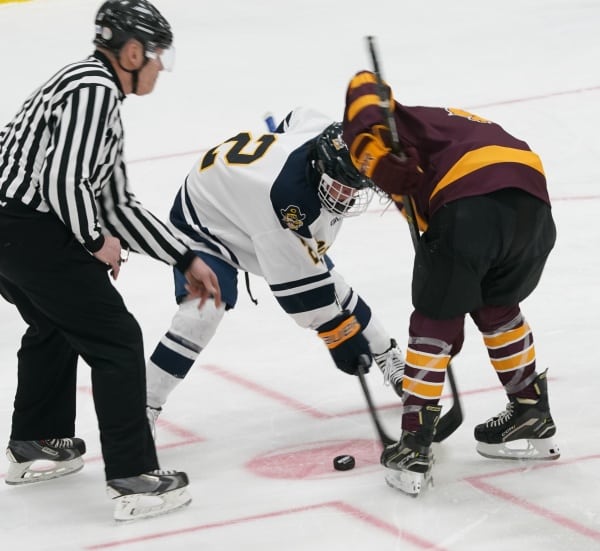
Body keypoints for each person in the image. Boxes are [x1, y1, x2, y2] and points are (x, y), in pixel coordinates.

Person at [0, 0, 221, 521]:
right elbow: (64, 181)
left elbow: (117, 204)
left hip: (12, 228)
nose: (162, 67)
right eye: (158, 55)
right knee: (117, 340)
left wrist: (183, 257)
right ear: (132, 53)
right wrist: (93, 239)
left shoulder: (90, 89)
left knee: (54, 322)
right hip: (24, 227)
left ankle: (34, 441)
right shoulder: (94, 90)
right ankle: (133, 478)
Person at [341, 70, 559, 496]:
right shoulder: (444, 126)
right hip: (533, 206)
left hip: (469, 199)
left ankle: (414, 444)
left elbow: (362, 85)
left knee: (433, 320)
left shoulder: (385, 127)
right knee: (497, 308)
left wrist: (375, 159)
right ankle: (531, 412)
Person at [145, 107, 406, 436]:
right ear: (320, 168)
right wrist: (338, 334)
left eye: (354, 187)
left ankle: (389, 357)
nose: (349, 196)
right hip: (205, 221)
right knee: (202, 313)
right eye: (341, 185)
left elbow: (297, 117)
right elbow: (304, 298)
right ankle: (143, 406)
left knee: (331, 286)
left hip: (251, 205)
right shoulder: (289, 203)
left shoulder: (325, 133)